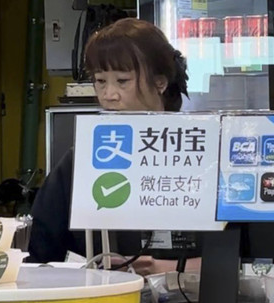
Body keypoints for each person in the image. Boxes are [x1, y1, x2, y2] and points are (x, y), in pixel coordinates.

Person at [28, 18, 192, 274]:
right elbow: (39, 252)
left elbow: (238, 259)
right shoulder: (81, 160)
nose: (108, 95)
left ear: (160, 82)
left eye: (122, 81)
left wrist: (161, 268)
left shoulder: (197, 154)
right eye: (100, 81)